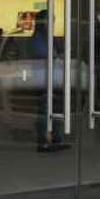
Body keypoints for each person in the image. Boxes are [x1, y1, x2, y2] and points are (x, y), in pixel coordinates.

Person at [29, 9, 68, 153]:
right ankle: (43, 142)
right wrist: (57, 58)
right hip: (43, 79)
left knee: (56, 108)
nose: (52, 23)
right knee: (45, 110)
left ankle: (57, 140)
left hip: (53, 78)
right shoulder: (38, 38)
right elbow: (42, 56)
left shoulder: (48, 37)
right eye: (50, 20)